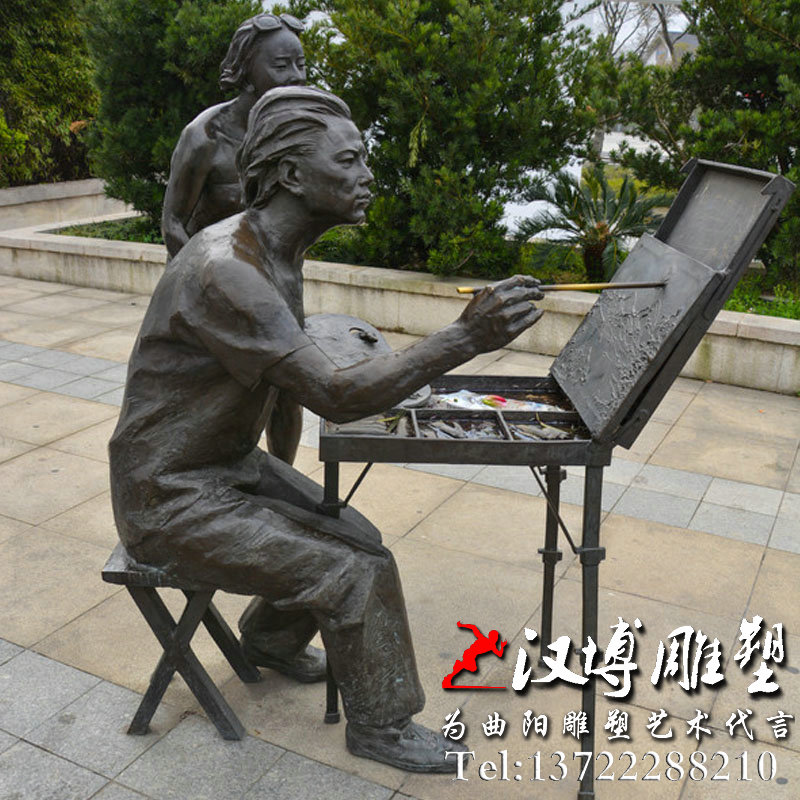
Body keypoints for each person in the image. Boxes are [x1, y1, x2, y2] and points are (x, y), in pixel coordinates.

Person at [109, 86, 544, 773]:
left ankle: (269, 641)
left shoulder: (272, 250)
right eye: (349, 160)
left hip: (218, 466)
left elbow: (295, 366)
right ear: (291, 174)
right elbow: (335, 398)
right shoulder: (228, 270)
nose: (367, 174)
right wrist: (464, 339)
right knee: (353, 570)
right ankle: (381, 727)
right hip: (166, 496)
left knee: (356, 533)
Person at [162, 12, 307, 466]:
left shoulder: (293, 130)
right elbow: (172, 222)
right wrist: (209, 287)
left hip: (277, 280)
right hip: (210, 287)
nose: (296, 76)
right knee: (217, 395)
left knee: (289, 389)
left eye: (301, 64)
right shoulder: (204, 137)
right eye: (281, 66)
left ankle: (283, 477)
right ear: (246, 69)